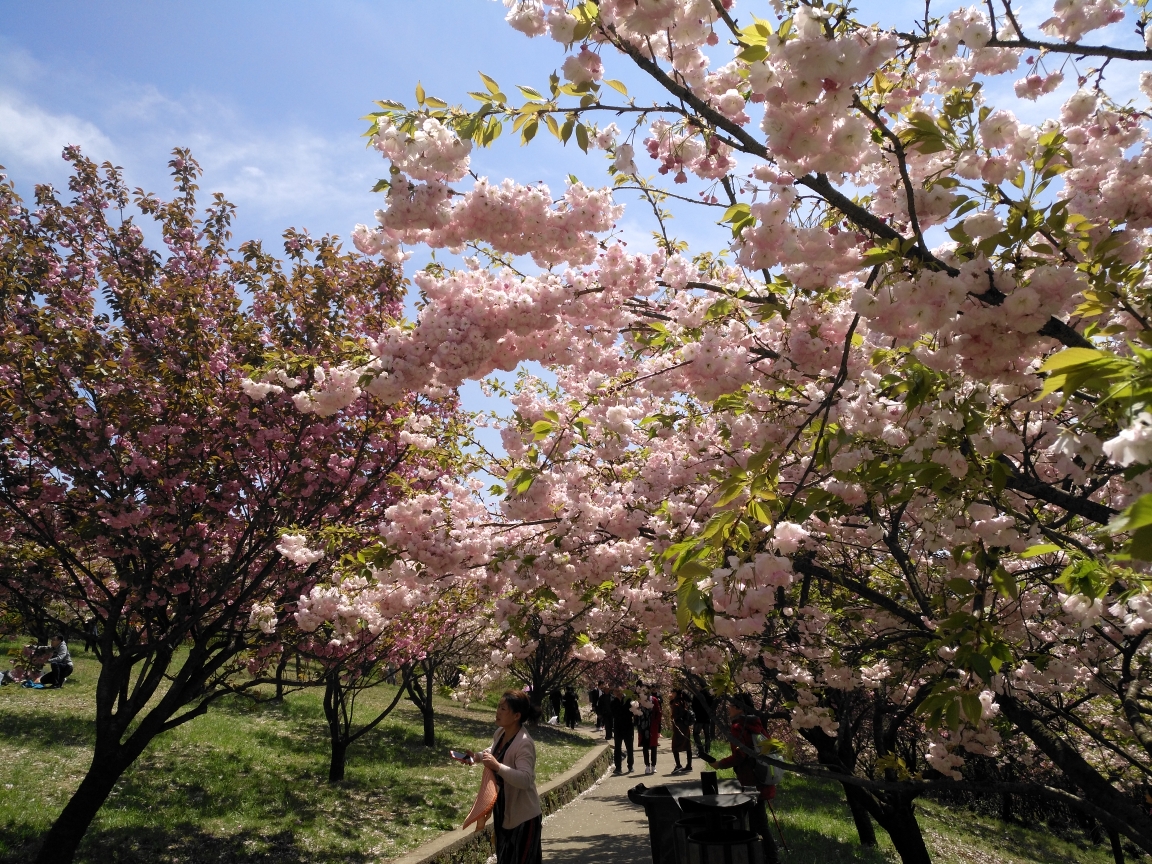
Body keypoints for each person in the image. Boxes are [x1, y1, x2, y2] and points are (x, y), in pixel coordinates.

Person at [703, 694, 781, 864]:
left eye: (731, 705)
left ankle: (769, 857)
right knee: (757, 820)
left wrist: (720, 764)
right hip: (763, 776)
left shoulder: (738, 727)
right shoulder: (757, 724)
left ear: (739, 708)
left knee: (757, 823)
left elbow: (740, 755)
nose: (728, 708)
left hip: (751, 780)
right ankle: (758, 854)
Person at [468, 690, 543, 864]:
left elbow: (525, 779)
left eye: (503, 709)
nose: (498, 712)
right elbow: (494, 751)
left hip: (524, 817)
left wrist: (497, 766)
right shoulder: (501, 733)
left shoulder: (524, 742)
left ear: (517, 715)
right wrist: (477, 757)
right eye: (498, 707)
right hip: (503, 811)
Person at [610, 687, 634, 774]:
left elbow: (632, 712)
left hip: (627, 727)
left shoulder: (628, 700)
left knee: (629, 747)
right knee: (617, 748)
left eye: (618, 691)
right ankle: (618, 767)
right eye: (615, 691)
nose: (617, 693)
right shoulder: (613, 702)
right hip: (618, 727)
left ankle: (630, 765)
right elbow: (613, 714)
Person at [637, 687, 662, 775]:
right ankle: (647, 765)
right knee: (645, 746)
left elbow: (659, 712)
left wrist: (657, 723)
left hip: (652, 726)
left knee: (653, 747)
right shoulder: (639, 701)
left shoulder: (654, 699)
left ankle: (653, 765)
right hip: (643, 726)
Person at [670, 689, 694, 775]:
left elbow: (677, 714)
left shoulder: (677, 703)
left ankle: (678, 765)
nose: (671, 694)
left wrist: (673, 717)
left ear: (676, 693)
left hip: (679, 726)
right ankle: (689, 765)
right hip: (685, 725)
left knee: (674, 746)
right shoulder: (685, 701)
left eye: (672, 692)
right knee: (687, 745)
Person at [692, 687, 714, 758]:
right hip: (707, 718)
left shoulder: (697, 695)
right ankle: (707, 750)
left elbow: (693, 706)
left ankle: (701, 750)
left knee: (696, 734)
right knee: (707, 735)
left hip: (699, 718)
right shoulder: (710, 695)